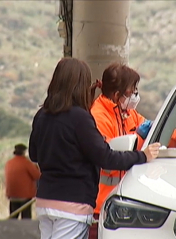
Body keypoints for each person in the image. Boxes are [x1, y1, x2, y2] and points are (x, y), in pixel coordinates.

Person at [28, 57, 161, 239]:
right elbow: (105, 157)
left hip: (45, 201)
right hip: (73, 203)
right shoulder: (80, 118)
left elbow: (34, 154)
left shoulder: (41, 115)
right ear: (81, 85)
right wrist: (143, 156)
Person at [88, 63, 151, 238]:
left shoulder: (128, 113)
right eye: (133, 90)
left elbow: (154, 131)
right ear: (117, 95)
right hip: (101, 206)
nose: (136, 95)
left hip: (125, 201)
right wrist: (139, 142)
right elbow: (109, 154)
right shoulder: (98, 116)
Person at [5, 144, 41, 219]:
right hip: (25, 195)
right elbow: (37, 176)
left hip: (12, 194)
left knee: (13, 217)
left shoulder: (9, 163)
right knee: (26, 218)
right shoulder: (26, 163)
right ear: (24, 152)